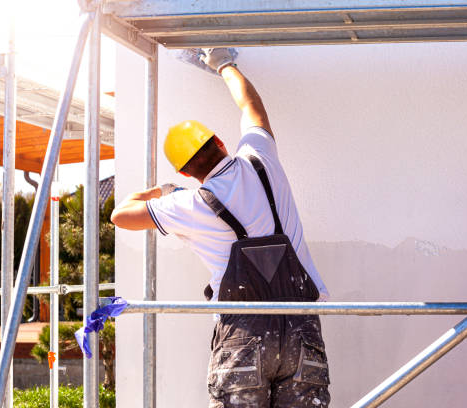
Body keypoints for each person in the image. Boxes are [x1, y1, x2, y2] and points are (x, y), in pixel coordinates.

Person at [111, 48, 331, 407]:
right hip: (302, 330)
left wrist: (164, 191)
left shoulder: (188, 204)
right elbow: (250, 106)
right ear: (221, 143)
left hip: (244, 338)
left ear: (185, 172)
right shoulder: (261, 157)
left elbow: (121, 215)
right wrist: (224, 63)